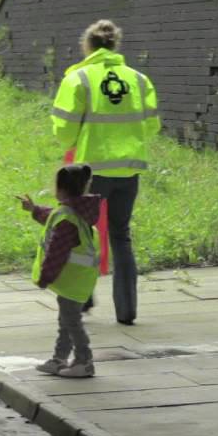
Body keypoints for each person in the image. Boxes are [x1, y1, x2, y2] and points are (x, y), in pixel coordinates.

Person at [51, 19, 160, 326]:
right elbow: (151, 125)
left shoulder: (79, 78)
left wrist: (75, 141)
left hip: (91, 171)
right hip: (128, 170)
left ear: (87, 46)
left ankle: (82, 299)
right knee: (120, 236)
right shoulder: (139, 80)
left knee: (82, 233)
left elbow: (64, 129)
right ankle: (127, 312)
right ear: (115, 45)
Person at [18, 165, 103, 378]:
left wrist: (45, 277)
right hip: (77, 280)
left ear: (62, 188)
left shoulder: (67, 219)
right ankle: (60, 358)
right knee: (66, 320)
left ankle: (84, 361)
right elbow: (52, 214)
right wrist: (34, 209)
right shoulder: (78, 209)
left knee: (71, 323)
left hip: (72, 280)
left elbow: (57, 253)